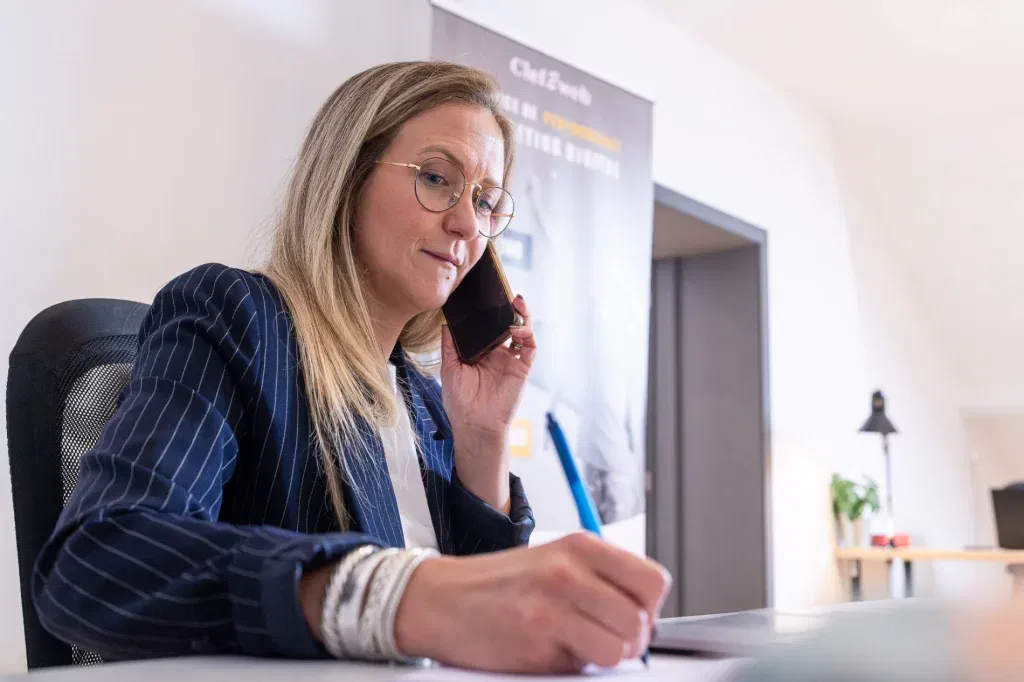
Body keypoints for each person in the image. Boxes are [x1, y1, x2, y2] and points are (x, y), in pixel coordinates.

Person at [32, 61, 670, 673]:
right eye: (437, 178)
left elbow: (484, 624)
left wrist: (483, 438)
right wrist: (391, 596)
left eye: (485, 199)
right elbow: (99, 563)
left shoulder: (424, 401)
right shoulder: (237, 318)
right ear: (347, 177)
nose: (464, 223)